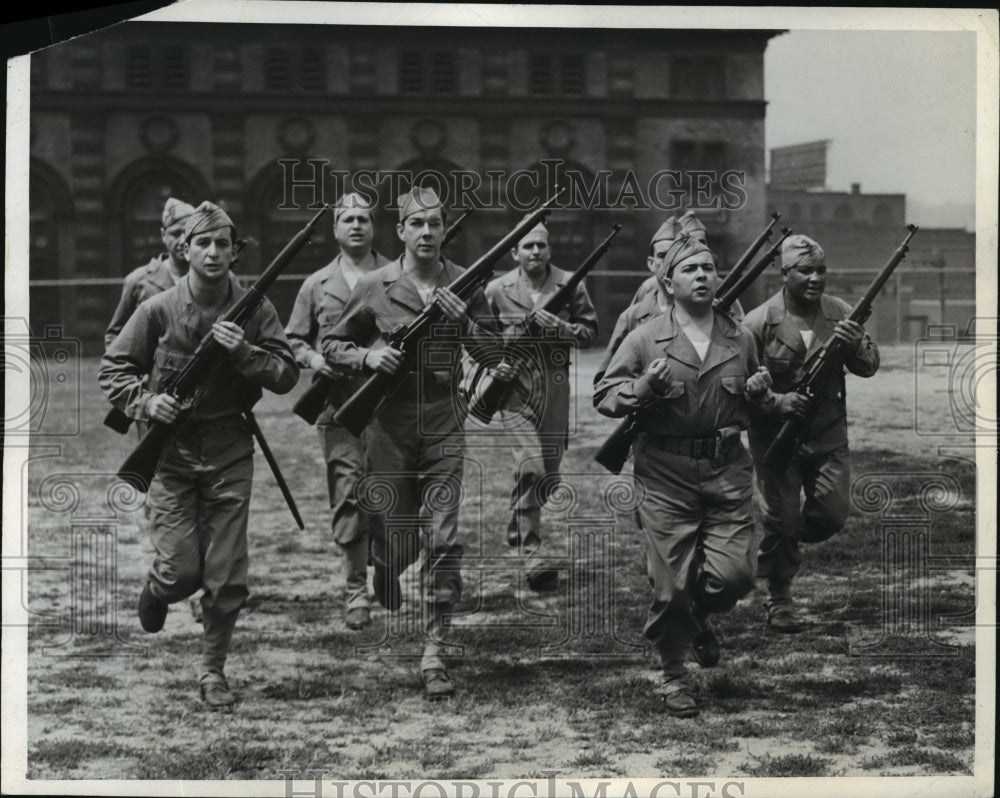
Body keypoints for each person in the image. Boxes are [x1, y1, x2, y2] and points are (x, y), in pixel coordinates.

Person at [99, 201, 299, 709]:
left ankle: (212, 672)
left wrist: (244, 353)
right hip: (170, 454)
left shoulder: (257, 308)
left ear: (235, 252)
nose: (213, 252)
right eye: (203, 243)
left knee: (227, 573)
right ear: (184, 250)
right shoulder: (157, 308)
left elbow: (287, 374)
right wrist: (147, 401)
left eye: (223, 244)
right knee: (180, 573)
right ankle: (158, 588)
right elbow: (113, 369)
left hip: (230, 447)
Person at [321, 187, 502, 700]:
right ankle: (385, 563)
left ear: (446, 230)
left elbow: (494, 355)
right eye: (416, 224)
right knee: (396, 537)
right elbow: (332, 342)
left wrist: (464, 318)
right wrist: (366, 360)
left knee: (444, 539)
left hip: (444, 420)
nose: (427, 232)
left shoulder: (466, 283)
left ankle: (435, 651)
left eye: (435, 224)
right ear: (399, 231)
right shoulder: (378, 284)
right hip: (389, 425)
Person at [594, 232, 775, 718]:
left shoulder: (741, 337)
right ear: (668, 282)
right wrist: (642, 386)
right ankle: (674, 673)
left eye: (709, 268)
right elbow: (606, 395)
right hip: (664, 474)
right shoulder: (645, 336)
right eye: (690, 269)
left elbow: (759, 404)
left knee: (735, 578)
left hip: (726, 471)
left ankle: (698, 614)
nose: (702, 276)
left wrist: (760, 394)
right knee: (670, 585)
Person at [742, 234, 879, 632]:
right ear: (784, 274)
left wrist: (854, 348)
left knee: (833, 516)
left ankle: (776, 538)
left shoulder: (841, 313)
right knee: (782, 519)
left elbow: (869, 365)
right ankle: (779, 598)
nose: (815, 278)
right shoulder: (756, 322)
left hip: (826, 435)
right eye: (806, 271)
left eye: (821, 270)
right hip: (774, 436)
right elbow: (740, 386)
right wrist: (775, 402)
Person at [285, 193, 391, 631]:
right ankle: (355, 590)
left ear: (374, 226)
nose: (356, 225)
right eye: (347, 219)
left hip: (389, 405)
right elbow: (292, 338)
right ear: (334, 229)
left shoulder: (395, 277)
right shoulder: (316, 284)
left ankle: (387, 569)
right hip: (338, 404)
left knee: (388, 493)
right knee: (348, 493)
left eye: (363, 218)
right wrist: (313, 360)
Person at [483, 218, 598, 590]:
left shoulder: (570, 284)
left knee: (547, 475)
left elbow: (590, 333)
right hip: (514, 389)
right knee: (530, 467)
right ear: (514, 252)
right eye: (527, 246)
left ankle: (518, 527)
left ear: (550, 250)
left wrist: (561, 329)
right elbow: (481, 336)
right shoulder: (497, 289)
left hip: (554, 384)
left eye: (541, 246)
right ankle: (531, 554)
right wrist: (491, 363)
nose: (535, 252)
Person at [104, 197, 196, 348]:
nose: (182, 241)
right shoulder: (139, 280)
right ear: (163, 235)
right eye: (175, 233)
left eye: (188, 233)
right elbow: (115, 336)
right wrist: (128, 370)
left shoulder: (206, 279)